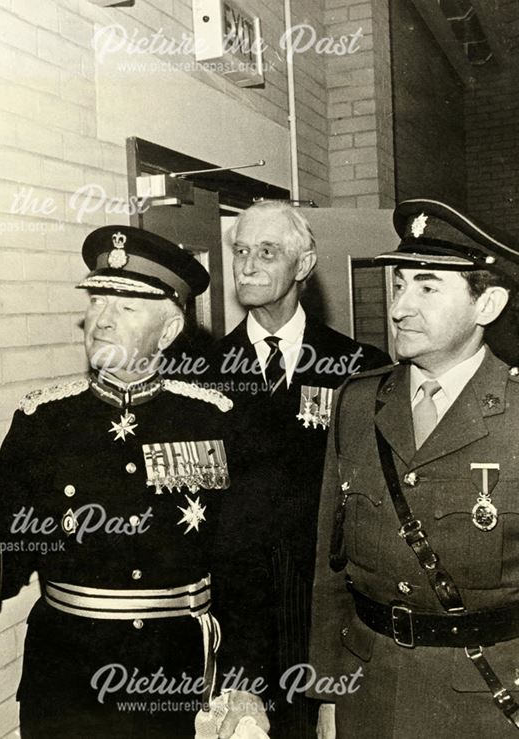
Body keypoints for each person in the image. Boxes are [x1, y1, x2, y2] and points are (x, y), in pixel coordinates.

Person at [0, 225, 270, 737]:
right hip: (67, 679)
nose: (102, 320)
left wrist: (244, 683)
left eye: (126, 307)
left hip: (176, 676)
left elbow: (248, 568)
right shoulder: (42, 422)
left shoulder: (214, 421)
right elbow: (1, 552)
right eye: (98, 300)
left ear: (166, 332)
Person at [310, 198, 519, 737]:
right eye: (400, 284)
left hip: (485, 703)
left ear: (487, 304)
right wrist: (328, 692)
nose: (400, 306)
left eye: (427, 287)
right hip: (366, 690)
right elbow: (330, 568)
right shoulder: (357, 402)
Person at [194, 200, 389, 737]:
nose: (247, 265)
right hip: (236, 617)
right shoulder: (199, 372)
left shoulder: (358, 367)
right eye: (240, 251)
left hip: (328, 614)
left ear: (303, 266)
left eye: (267, 252)